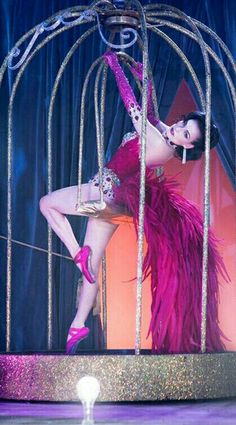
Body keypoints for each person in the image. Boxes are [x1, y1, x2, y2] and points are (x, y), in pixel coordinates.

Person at [40, 51, 227, 355]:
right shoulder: (164, 137)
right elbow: (152, 115)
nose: (178, 130)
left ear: (189, 147)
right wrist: (146, 80)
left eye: (186, 134)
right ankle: (77, 325)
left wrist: (114, 64)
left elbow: (134, 109)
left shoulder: (158, 142)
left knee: (46, 204)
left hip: (105, 189)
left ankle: (76, 253)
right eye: (183, 125)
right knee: (93, 266)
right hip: (115, 202)